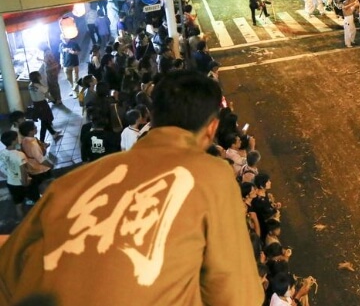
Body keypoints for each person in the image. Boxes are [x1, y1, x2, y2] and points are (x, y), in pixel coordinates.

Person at [0, 70, 264, 305]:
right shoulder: (211, 175)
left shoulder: (69, 183)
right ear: (211, 129)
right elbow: (240, 298)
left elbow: (7, 274)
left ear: (152, 116)